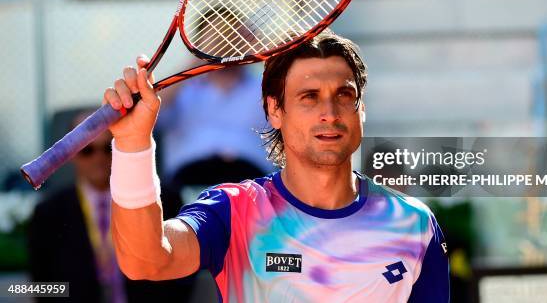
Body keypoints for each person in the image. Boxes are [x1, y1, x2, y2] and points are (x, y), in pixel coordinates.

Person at [106, 30, 450, 302]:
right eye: (309, 97)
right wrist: (132, 145)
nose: (329, 112)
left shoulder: (414, 222)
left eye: (344, 95)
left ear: (361, 109)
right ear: (274, 111)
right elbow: (145, 260)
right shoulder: (233, 210)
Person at [28, 111, 194, 303]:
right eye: (87, 150)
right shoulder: (48, 213)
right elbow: (41, 285)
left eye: (108, 148)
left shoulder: (166, 199)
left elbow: (184, 270)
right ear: (71, 154)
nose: (98, 158)